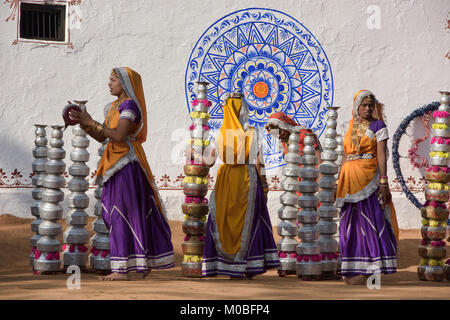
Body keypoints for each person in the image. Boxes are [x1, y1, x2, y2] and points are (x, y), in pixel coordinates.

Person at [69, 67, 174, 281]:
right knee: (113, 213)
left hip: (126, 165)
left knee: (122, 213)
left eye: (113, 80)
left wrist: (91, 122)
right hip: (114, 165)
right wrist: (85, 123)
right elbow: (104, 137)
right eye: (110, 79)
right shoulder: (115, 106)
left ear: (125, 84)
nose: (109, 83)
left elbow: (118, 135)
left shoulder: (130, 107)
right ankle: (131, 264)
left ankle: (121, 269)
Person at [201, 93, 280, 279]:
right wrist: (265, 186)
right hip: (248, 179)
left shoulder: (218, 133)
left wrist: (193, 153)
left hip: (226, 180)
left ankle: (223, 265)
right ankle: (248, 266)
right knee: (249, 221)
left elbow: (208, 162)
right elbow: (259, 163)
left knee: (222, 218)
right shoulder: (252, 132)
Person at [336, 89, 399, 285]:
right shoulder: (350, 126)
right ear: (357, 107)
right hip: (349, 179)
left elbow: (381, 155)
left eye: (370, 105)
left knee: (371, 222)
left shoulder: (378, 126)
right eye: (363, 105)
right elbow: (346, 155)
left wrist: (383, 181)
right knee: (349, 225)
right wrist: (338, 182)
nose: (367, 108)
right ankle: (351, 268)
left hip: (370, 178)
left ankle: (372, 269)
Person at [265, 112, 322, 277]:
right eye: (273, 132)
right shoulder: (285, 141)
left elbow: (318, 161)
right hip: (297, 187)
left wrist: (319, 186)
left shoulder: (305, 135)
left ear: (284, 126)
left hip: (312, 184)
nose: (277, 135)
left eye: (278, 130)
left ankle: (314, 259)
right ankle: (297, 259)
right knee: (295, 223)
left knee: (312, 221)